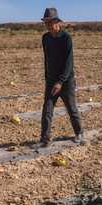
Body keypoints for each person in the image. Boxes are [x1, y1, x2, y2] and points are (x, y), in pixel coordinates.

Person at [39, 8, 83, 148]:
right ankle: (45, 139)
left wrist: (60, 82)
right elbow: (47, 59)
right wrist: (48, 78)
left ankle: (79, 132)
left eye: (50, 22)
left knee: (71, 108)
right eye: (46, 22)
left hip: (66, 81)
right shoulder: (45, 38)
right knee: (47, 109)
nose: (48, 25)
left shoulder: (66, 39)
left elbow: (69, 63)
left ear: (57, 22)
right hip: (51, 80)